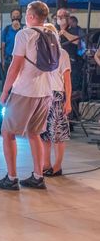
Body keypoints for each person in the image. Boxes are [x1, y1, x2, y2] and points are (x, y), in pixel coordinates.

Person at [0, 1, 57, 191]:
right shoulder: (51, 33)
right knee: (34, 133)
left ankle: (11, 178)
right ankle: (38, 176)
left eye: (27, 12)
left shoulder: (24, 34)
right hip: (45, 91)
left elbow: (15, 66)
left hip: (25, 91)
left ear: (31, 16)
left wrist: (5, 91)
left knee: (7, 132)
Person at [41, 23, 72, 177]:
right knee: (44, 133)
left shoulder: (62, 53)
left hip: (56, 95)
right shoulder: (40, 53)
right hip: (42, 95)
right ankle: (45, 164)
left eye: (48, 32)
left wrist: (68, 101)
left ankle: (57, 166)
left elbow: (67, 80)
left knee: (57, 134)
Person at [56, 9, 83, 91]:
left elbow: (77, 41)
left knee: (70, 84)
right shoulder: (54, 28)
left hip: (71, 60)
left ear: (68, 18)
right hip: (56, 61)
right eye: (58, 16)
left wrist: (64, 33)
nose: (60, 18)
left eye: (62, 16)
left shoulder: (74, 29)